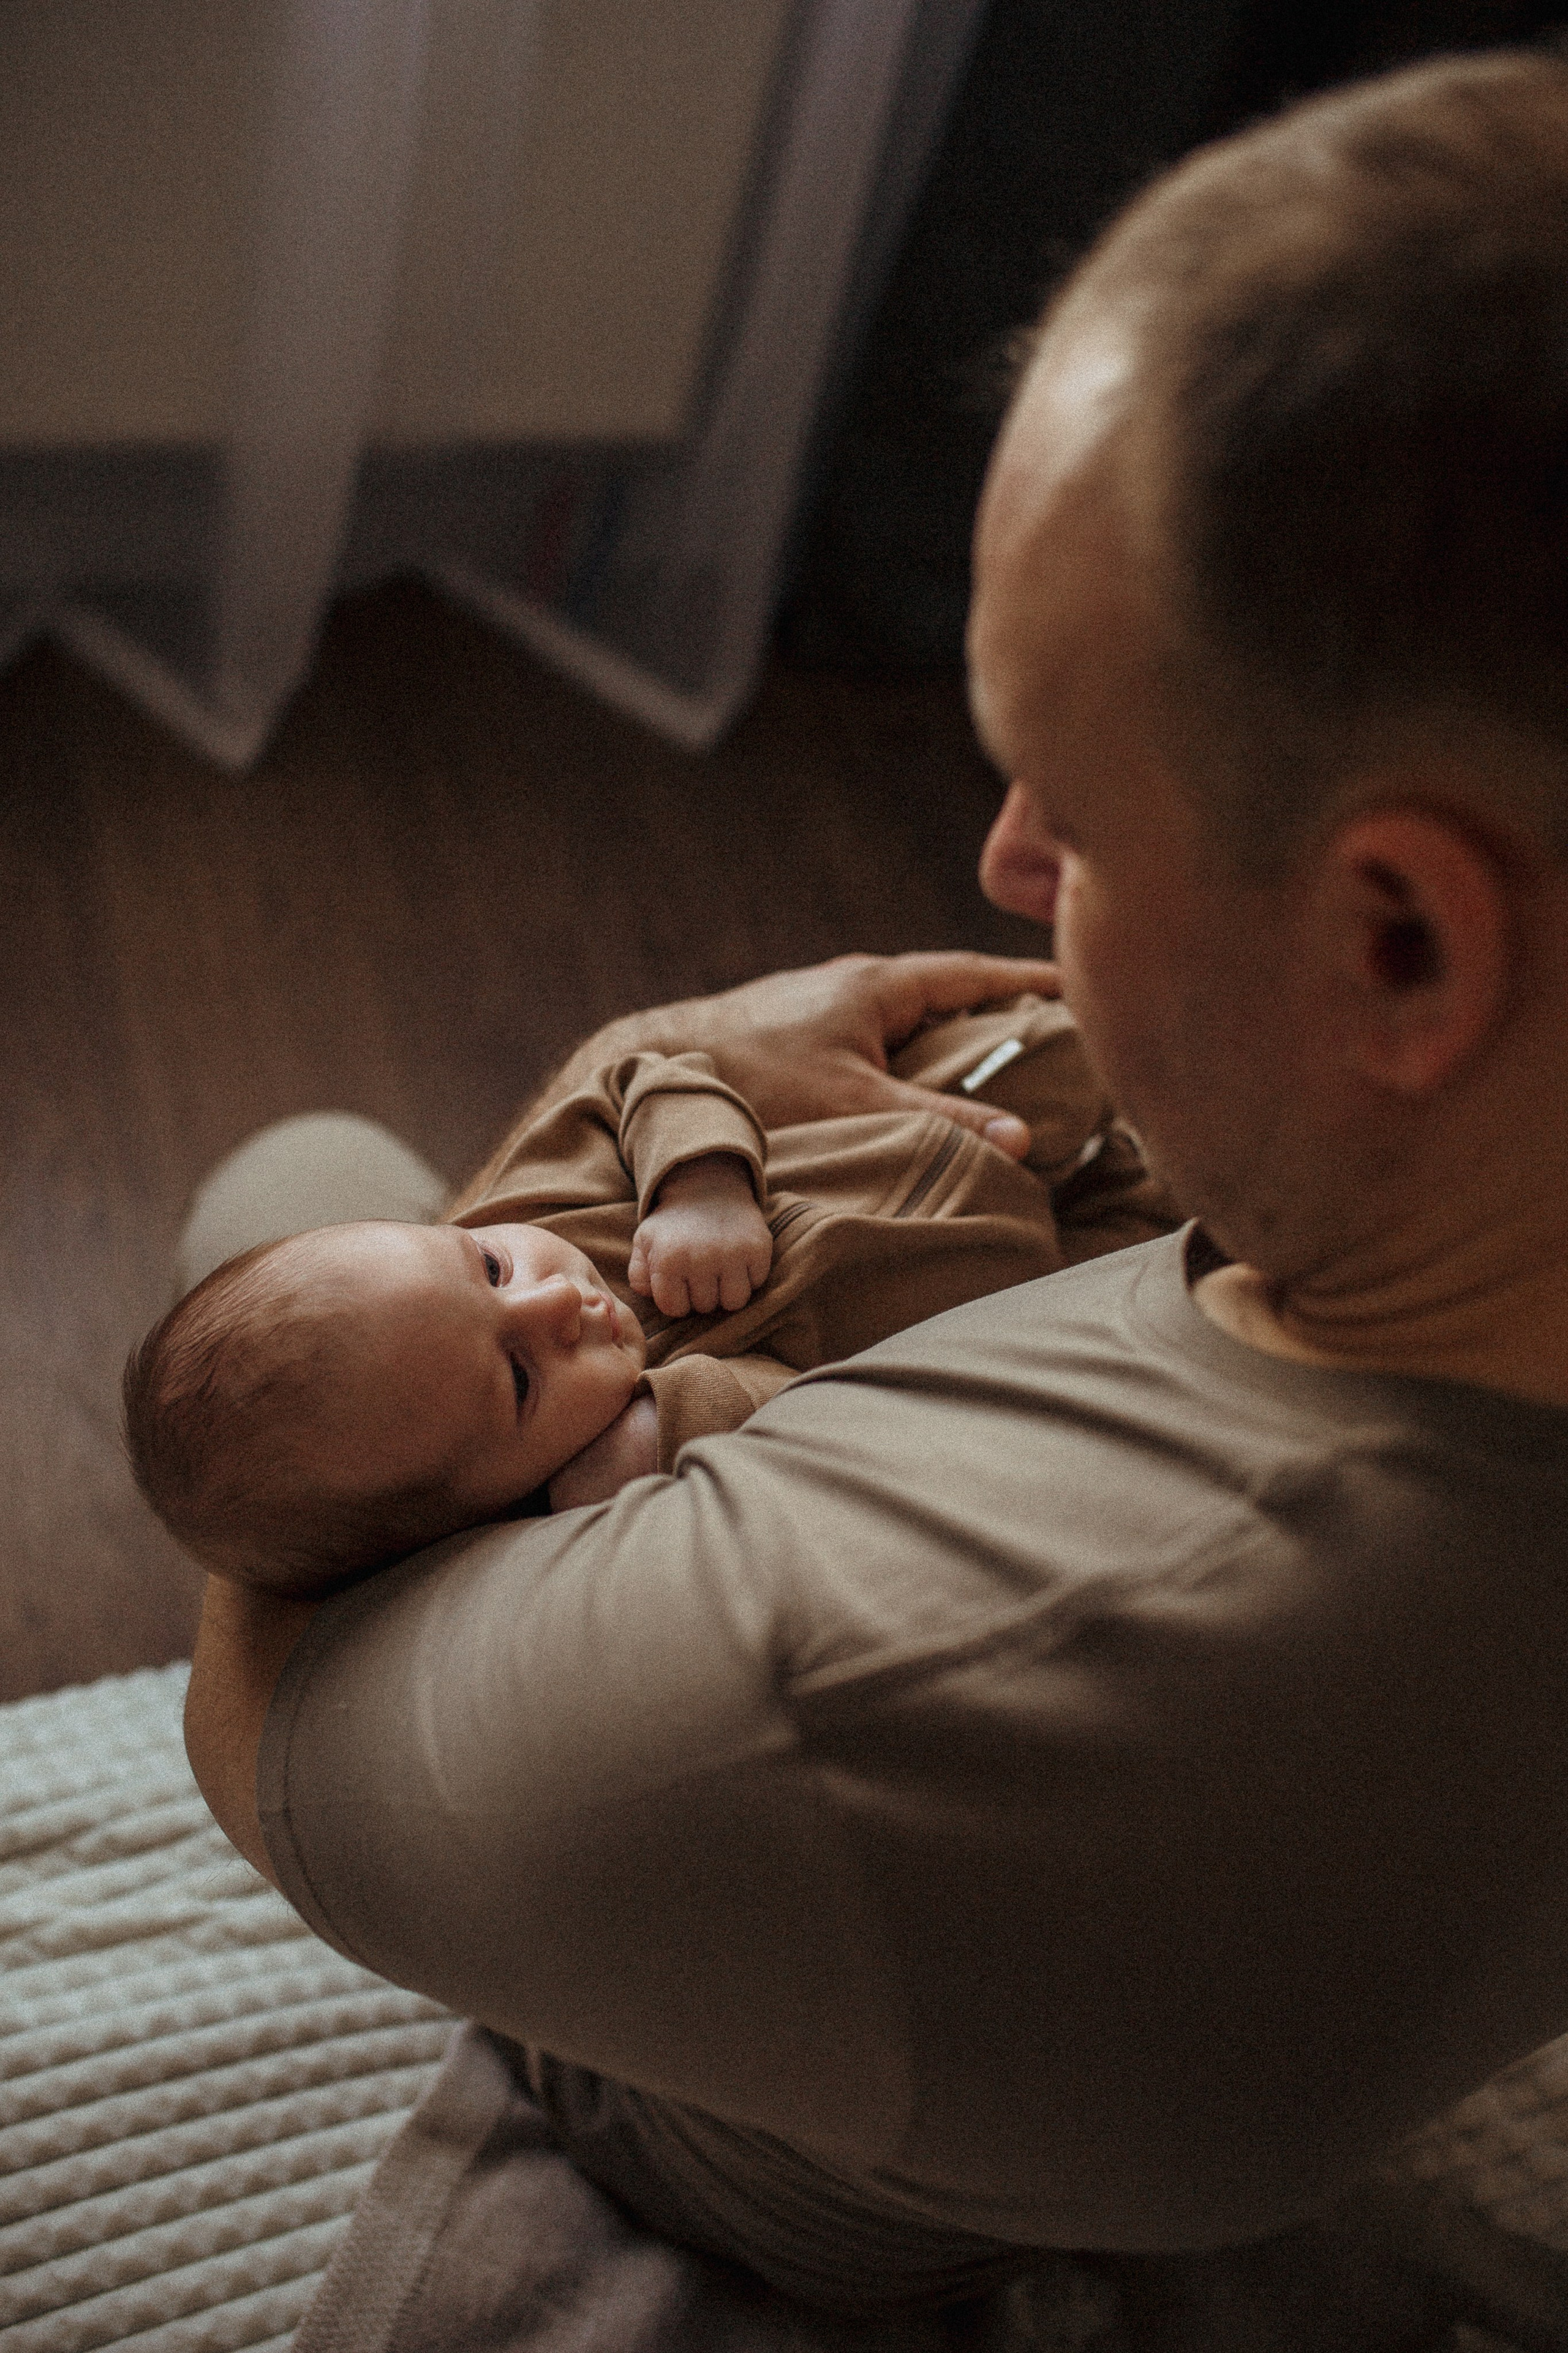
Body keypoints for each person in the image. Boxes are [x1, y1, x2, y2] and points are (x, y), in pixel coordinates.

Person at [181, 44, 1568, 2340]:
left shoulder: (807, 1676)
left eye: (1072, 815)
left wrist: (614, 1084)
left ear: (1404, 945)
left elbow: (281, 1729)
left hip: (770, 2144)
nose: (1004, 866)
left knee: (290, 1184)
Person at [126, 999, 1174, 1597]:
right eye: (518, 1379)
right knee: (1169, 1273)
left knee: (1060, 1042)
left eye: (488, 1267)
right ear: (479, 1514)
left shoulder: (540, 1201)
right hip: (1029, 1283)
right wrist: (664, 1431)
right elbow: (814, 1425)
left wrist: (698, 1178)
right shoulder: (619, 1472)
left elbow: (641, 1078)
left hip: (927, 1124)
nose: (552, 1304)